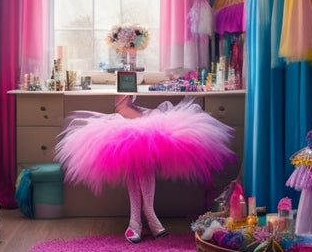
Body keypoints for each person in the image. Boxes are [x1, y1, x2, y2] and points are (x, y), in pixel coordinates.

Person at [56, 94, 237, 243]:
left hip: (149, 118)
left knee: (143, 149)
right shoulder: (123, 76)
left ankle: (138, 219)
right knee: (136, 149)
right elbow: (121, 107)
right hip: (128, 120)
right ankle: (146, 215)